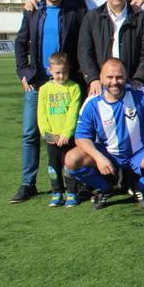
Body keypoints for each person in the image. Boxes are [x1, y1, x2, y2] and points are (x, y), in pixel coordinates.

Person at [64, 59, 144, 209]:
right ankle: (105, 188)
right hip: (107, 152)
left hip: (139, 151)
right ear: (101, 78)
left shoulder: (140, 93)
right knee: (71, 160)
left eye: (119, 77)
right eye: (109, 77)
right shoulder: (92, 102)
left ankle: (139, 187)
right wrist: (99, 158)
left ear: (126, 76)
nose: (114, 82)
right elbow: (81, 138)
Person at [11, 0, 86, 203]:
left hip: (66, 81)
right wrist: (23, 71)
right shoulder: (33, 11)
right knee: (31, 133)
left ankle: (77, 183)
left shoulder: (75, 9)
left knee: (71, 133)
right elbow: (20, 42)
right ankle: (28, 183)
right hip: (38, 82)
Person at [78, 0, 144, 97]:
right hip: (101, 87)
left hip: (133, 84)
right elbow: (84, 52)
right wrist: (93, 78)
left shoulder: (141, 19)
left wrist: (140, 77)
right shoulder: (92, 18)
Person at [36, 52, 82, 207]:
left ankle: (71, 192)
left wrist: (67, 133)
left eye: (64, 72)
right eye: (57, 73)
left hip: (68, 137)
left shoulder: (74, 88)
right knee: (53, 166)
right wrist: (47, 133)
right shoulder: (44, 89)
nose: (61, 76)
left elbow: (73, 113)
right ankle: (56, 192)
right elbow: (41, 114)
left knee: (69, 165)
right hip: (52, 137)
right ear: (50, 71)